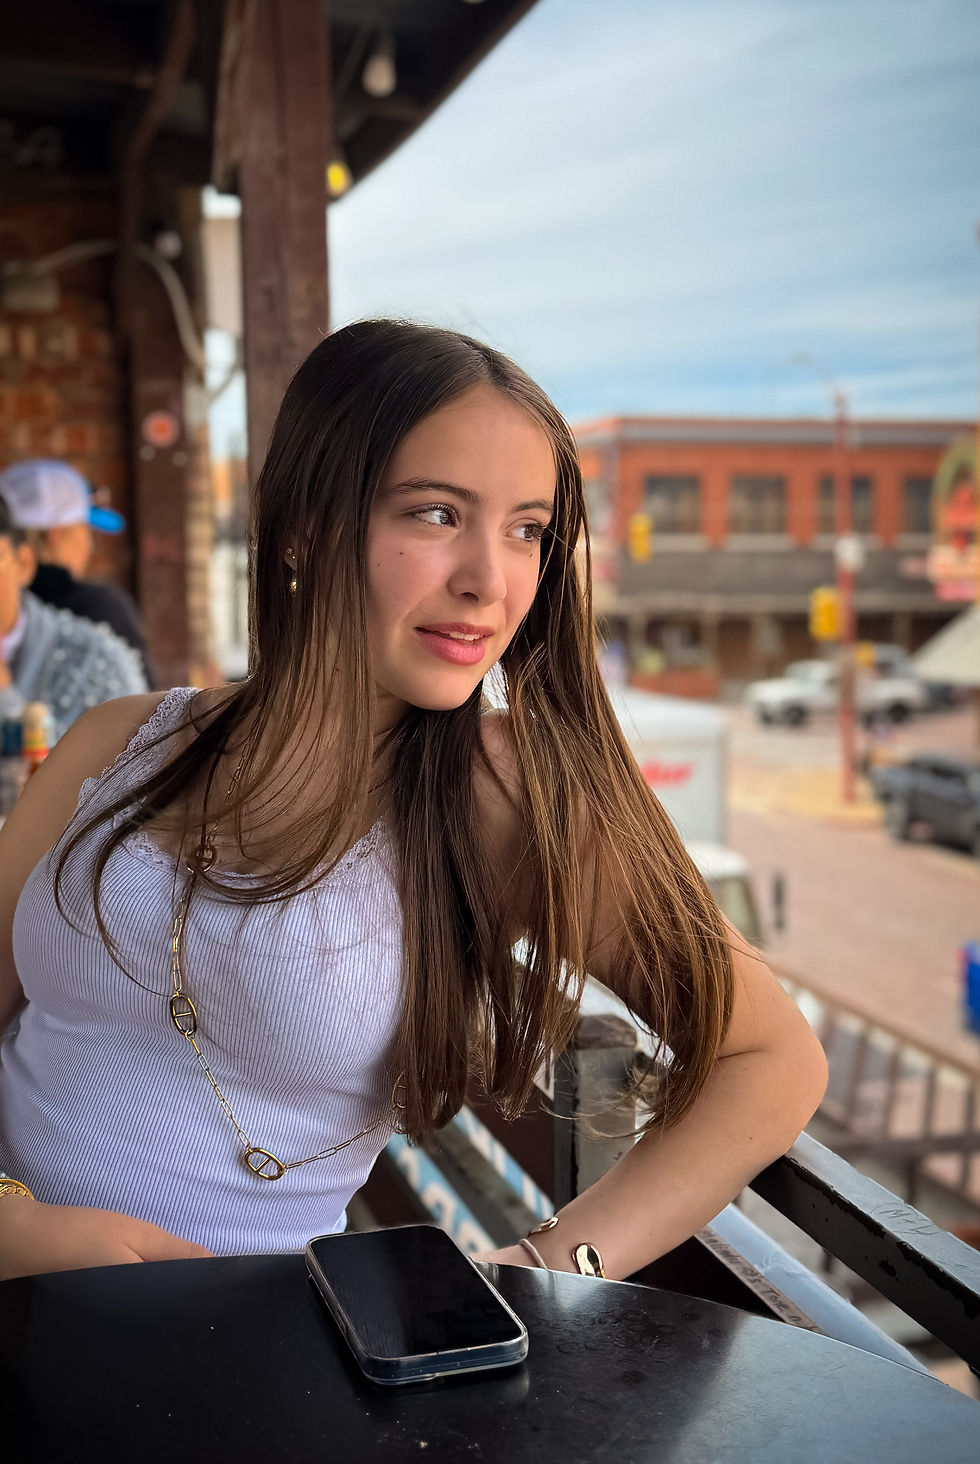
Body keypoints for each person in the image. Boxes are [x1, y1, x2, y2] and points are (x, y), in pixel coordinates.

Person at [0, 321, 826, 1281]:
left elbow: (770, 1060)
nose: (489, 581)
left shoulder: (505, 797)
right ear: (306, 524)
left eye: (527, 530)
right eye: (436, 513)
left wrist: (555, 1265)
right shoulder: (121, 742)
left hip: (236, 1377)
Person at [0, 494, 147, 741]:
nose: (89, 546)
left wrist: (5, 699)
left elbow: (118, 770)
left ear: (24, 563)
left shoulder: (95, 661)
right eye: (84, 533)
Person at [0, 459, 154, 684]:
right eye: (86, 531)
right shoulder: (103, 609)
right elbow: (149, 708)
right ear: (57, 536)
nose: (90, 547)